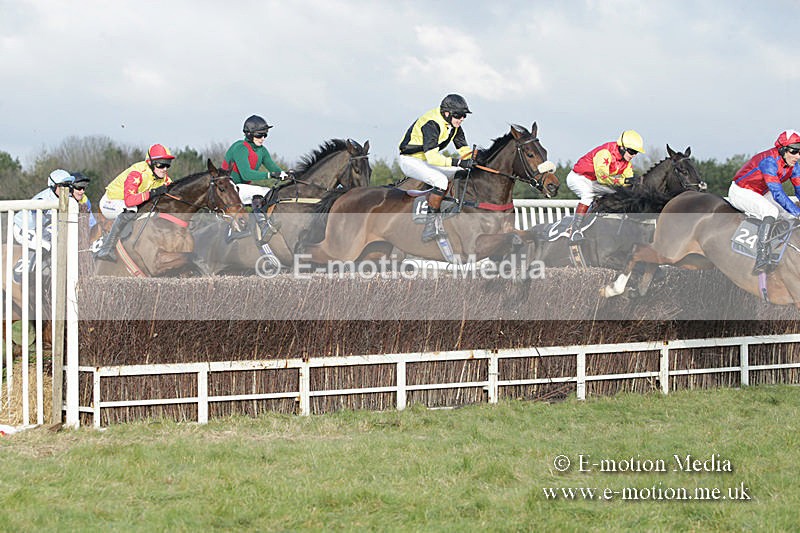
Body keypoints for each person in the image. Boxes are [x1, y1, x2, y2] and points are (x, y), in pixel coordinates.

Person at [398, 94, 474, 242]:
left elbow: (464, 151)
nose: (462, 119)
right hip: (410, 160)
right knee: (440, 180)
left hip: (426, 160)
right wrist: (458, 162)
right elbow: (433, 158)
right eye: (458, 115)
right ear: (447, 113)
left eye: (464, 116)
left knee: (462, 173)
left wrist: (476, 161)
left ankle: (449, 207)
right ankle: (430, 226)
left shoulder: (454, 126)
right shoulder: (432, 123)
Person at [728, 129, 800, 274]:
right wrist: (798, 212)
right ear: (782, 150)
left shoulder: (794, 165)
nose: (797, 156)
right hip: (741, 191)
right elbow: (777, 193)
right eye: (794, 151)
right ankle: (761, 255)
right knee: (771, 211)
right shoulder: (769, 161)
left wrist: (795, 212)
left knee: (789, 215)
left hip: (761, 191)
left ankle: (779, 248)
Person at [95, 143, 175, 262]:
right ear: (150, 163)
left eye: (167, 164)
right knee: (131, 210)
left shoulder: (162, 176)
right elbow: (129, 201)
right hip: (110, 203)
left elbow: (174, 194)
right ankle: (107, 249)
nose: (165, 169)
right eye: (161, 164)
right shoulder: (137, 173)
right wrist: (153, 193)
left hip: (129, 203)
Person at [566, 130, 645, 242]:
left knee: (618, 194)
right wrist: (625, 181)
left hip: (593, 182)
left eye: (636, 152)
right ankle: (574, 230)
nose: (633, 155)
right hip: (578, 177)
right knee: (587, 196)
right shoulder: (605, 153)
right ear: (622, 147)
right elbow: (602, 178)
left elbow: (628, 182)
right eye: (632, 151)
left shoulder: (626, 163)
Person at [12, 169, 92, 279]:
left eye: (68, 185)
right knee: (46, 245)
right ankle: (21, 270)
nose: (66, 189)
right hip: (24, 228)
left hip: (42, 226)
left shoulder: (66, 196)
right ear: (53, 186)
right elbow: (37, 225)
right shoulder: (43, 199)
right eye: (62, 185)